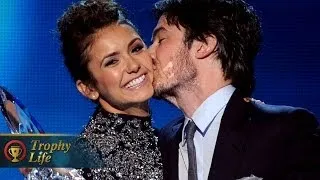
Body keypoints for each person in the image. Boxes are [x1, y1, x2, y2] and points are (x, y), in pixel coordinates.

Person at [148, 0, 320, 179]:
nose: (148, 53)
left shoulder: (286, 131)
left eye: (160, 40)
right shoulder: (165, 140)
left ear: (204, 44)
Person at [57, 0, 163, 179]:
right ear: (88, 88)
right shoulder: (87, 160)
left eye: (136, 49)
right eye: (112, 62)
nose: (133, 66)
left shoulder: (169, 137)